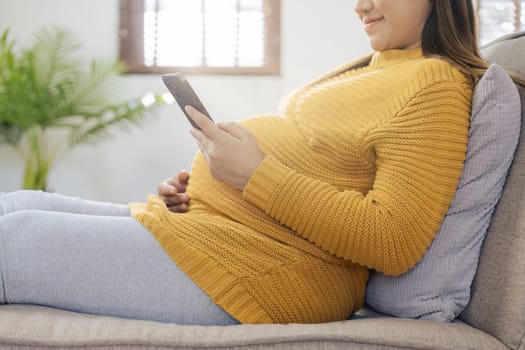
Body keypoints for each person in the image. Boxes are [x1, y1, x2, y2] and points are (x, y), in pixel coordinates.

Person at [0, 0, 492, 324]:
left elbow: (393, 240)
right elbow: (317, 168)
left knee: (12, 240)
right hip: (222, 231)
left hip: (267, 267)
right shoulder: (379, 69)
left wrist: (254, 175)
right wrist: (211, 183)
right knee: (20, 202)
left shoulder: (435, 87)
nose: (359, 4)